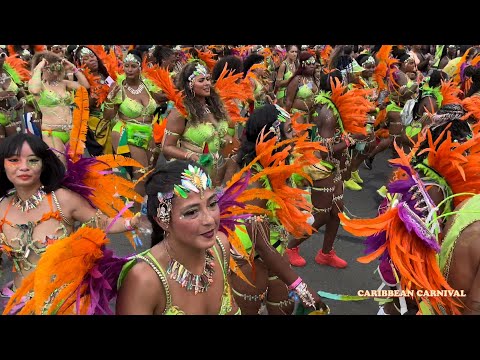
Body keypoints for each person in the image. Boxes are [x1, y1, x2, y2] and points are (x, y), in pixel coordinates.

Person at [0, 134, 141, 313]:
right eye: (14, 160)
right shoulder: (2, 207)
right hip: (20, 303)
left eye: (33, 160)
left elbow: (102, 222)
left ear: (43, 164)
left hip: (66, 304)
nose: (23, 167)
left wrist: (132, 222)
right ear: (3, 165)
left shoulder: (62, 199)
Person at [230, 104, 329, 315]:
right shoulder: (255, 183)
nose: (295, 133)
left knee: (284, 307)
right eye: (289, 129)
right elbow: (261, 245)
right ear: (273, 136)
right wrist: (303, 288)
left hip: (275, 250)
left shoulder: (280, 168)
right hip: (249, 260)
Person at [116, 158, 241, 314]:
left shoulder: (220, 246)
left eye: (212, 204)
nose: (209, 220)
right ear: (163, 221)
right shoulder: (145, 280)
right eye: (191, 212)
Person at [162, 60, 236, 186]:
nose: (207, 83)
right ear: (189, 85)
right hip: (193, 172)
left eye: (208, 79)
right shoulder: (181, 112)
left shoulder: (215, 106)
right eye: (201, 80)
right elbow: (167, 147)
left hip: (217, 169)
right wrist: (190, 156)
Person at [28, 51, 90, 164]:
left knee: (77, 167)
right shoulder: (38, 85)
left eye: (57, 66)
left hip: (71, 130)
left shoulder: (64, 83)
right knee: (62, 168)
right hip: (52, 132)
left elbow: (85, 87)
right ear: (43, 68)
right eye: (50, 67)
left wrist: (73, 68)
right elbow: (34, 90)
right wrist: (38, 68)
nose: (54, 70)